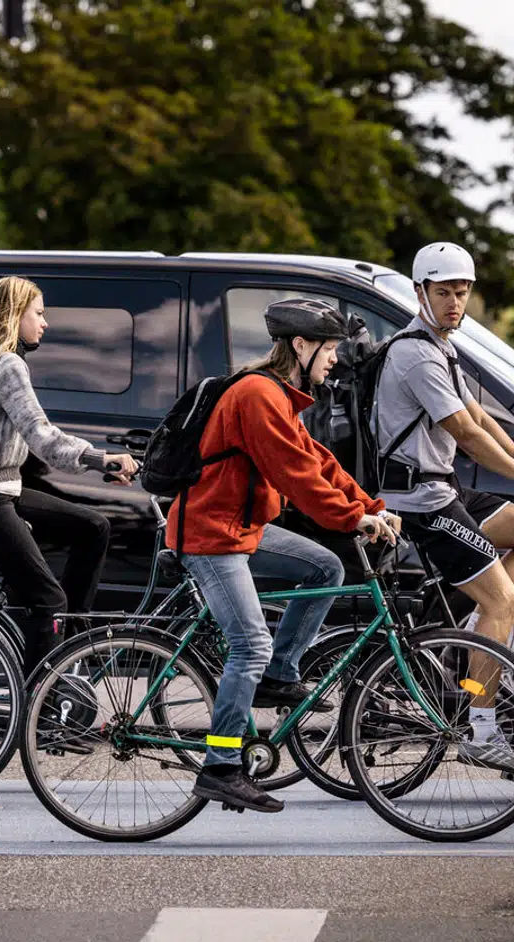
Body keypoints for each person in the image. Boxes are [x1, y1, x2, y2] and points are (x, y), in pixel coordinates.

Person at [168, 298, 400, 814]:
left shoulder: (277, 395)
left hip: (241, 528)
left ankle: (279, 674)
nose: (335, 359)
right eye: (330, 349)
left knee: (326, 566)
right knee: (248, 644)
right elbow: (294, 474)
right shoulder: (257, 395)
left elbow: (318, 461)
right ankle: (221, 767)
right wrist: (350, 519)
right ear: (301, 345)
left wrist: (370, 507)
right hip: (210, 534)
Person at [372, 242, 514, 775]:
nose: (455, 303)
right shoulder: (414, 353)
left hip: (446, 490)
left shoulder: (443, 347)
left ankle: (481, 620)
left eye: (462, 293)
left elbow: (481, 417)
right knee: (506, 604)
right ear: (420, 293)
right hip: (420, 501)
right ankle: (482, 729)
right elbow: (462, 433)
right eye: (443, 293)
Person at [0, 276, 138, 672]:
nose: (45, 322)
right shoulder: (8, 364)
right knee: (49, 600)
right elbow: (41, 434)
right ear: (15, 315)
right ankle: (39, 707)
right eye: (39, 313)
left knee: (93, 526)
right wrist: (100, 459)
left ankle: (69, 645)